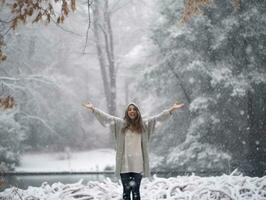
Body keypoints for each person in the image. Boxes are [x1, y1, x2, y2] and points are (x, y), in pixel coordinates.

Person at [82, 101, 184, 200]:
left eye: (134, 109)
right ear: (127, 112)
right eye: (130, 109)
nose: (132, 111)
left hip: (138, 165)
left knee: (136, 192)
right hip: (124, 165)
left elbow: (158, 119)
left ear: (137, 112)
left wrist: (171, 110)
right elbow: (106, 117)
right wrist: (93, 109)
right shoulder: (119, 124)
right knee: (126, 192)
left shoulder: (144, 125)